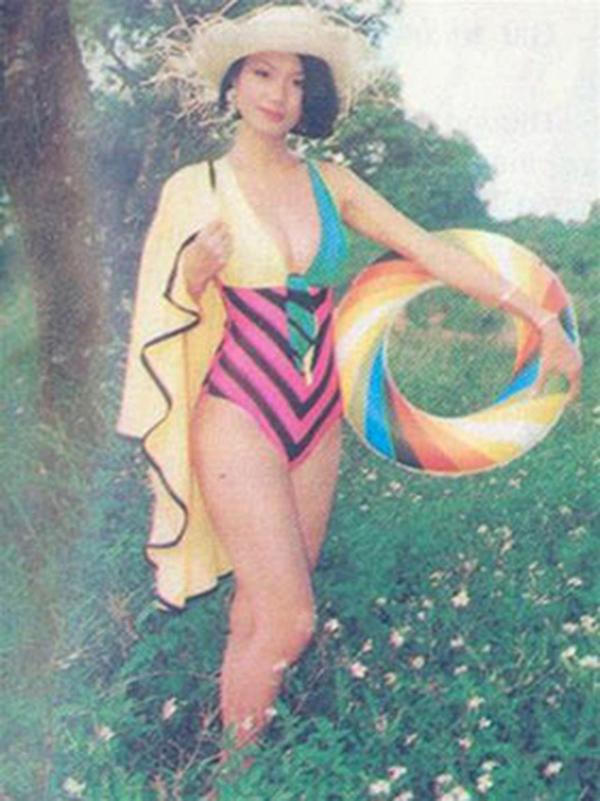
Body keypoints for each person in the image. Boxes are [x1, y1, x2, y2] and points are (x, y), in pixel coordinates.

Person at [118, 3, 581, 760]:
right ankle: (239, 778)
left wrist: (538, 315)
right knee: (291, 618)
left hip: (317, 415)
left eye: (297, 81)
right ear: (233, 84)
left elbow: (430, 251)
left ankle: (228, 762)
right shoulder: (195, 187)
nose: (280, 94)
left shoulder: (332, 181)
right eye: (263, 73)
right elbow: (161, 312)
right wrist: (192, 276)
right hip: (238, 409)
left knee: (259, 608)